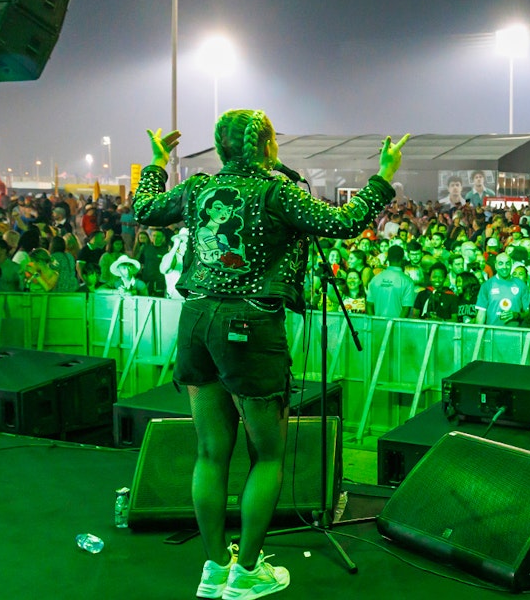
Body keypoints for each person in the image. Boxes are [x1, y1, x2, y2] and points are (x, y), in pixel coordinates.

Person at [133, 110, 408, 600]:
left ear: (220, 150)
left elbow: (146, 208)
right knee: (267, 455)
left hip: (195, 319)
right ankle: (248, 573)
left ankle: (215, 568)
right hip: (249, 326)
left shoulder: (197, 189)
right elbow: (344, 222)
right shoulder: (278, 191)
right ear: (266, 145)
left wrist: (157, 162)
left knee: (210, 452)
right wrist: (384, 176)